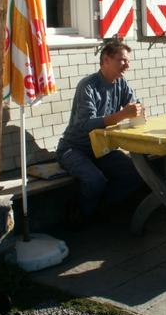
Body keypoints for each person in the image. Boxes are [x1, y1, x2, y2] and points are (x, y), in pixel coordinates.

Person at [56, 42, 146, 222]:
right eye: (122, 60)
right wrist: (123, 114)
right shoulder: (87, 85)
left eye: (128, 61)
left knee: (135, 173)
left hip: (102, 148)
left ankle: (103, 208)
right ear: (106, 60)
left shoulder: (121, 83)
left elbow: (134, 107)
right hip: (75, 149)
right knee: (94, 180)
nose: (127, 66)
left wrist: (139, 111)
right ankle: (80, 215)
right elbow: (87, 125)